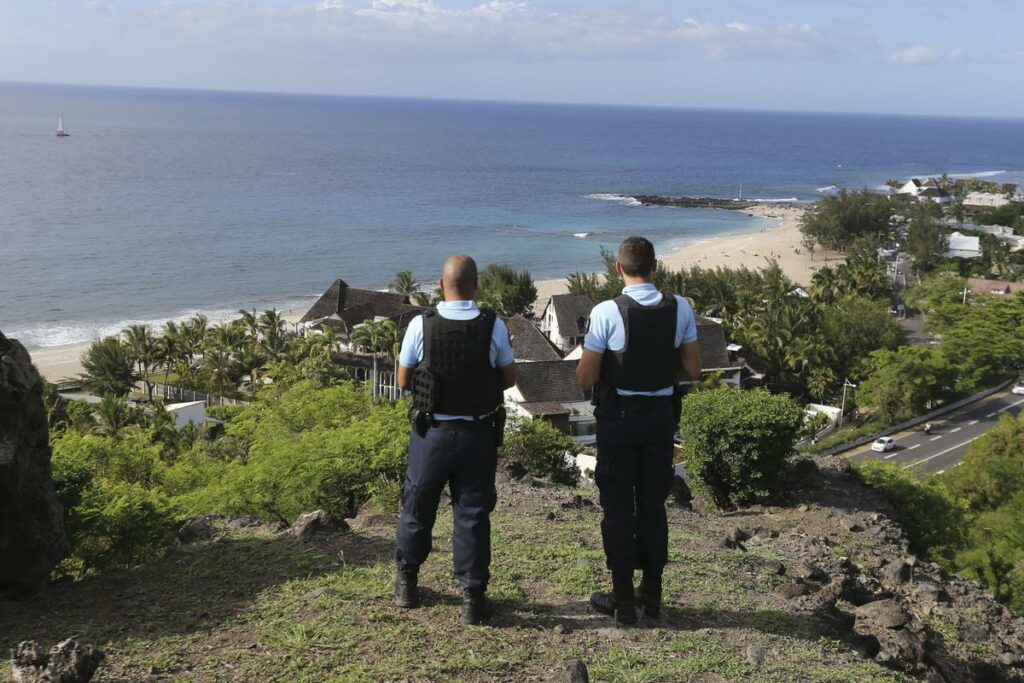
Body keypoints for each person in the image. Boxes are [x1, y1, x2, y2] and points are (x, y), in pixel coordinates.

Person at [576, 236, 702, 625]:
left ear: (618, 268)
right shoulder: (681, 308)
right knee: (653, 505)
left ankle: (623, 600)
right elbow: (694, 370)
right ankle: (652, 593)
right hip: (660, 419)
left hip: (619, 420)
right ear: (655, 266)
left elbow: (586, 378)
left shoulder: (607, 312)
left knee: (617, 510)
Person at [393, 254, 516, 625]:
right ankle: (473, 599)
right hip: (477, 435)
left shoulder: (422, 325)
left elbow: (402, 381)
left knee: (417, 507)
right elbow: (508, 379)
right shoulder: (493, 327)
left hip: (432, 435)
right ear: (475, 285)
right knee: (473, 517)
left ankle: (407, 583)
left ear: (441, 285)